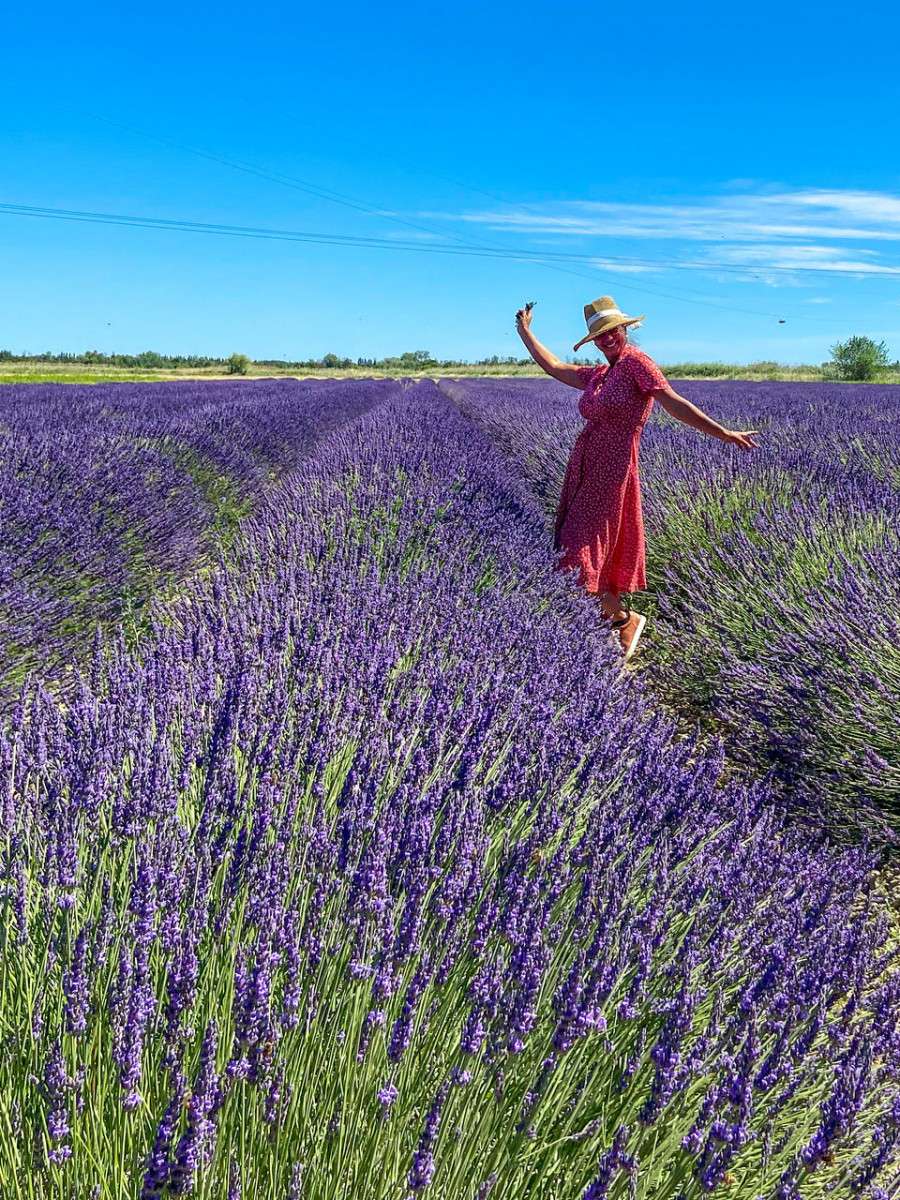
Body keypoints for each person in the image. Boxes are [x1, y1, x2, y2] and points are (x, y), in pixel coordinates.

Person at [515, 295, 759, 663]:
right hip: (584, 466)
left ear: (625, 329)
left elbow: (672, 401)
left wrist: (722, 433)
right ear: (594, 342)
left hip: (612, 472)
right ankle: (611, 627)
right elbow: (553, 366)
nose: (608, 338)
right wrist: (524, 332)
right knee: (574, 553)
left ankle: (625, 621)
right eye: (600, 335)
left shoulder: (637, 364)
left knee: (577, 559)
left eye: (613, 331)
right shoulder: (600, 374)